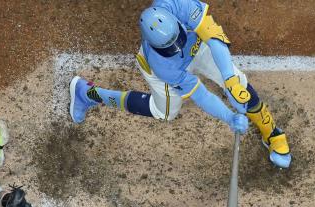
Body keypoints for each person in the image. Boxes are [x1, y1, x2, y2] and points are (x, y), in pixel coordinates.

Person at [68, 0, 292, 169]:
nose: (176, 45)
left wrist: (230, 80)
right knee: (164, 112)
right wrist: (228, 117)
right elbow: (201, 95)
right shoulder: (161, 63)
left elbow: (214, 38)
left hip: (199, 47)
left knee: (239, 84)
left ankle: (271, 133)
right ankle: (87, 93)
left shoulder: (179, 5)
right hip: (170, 69)